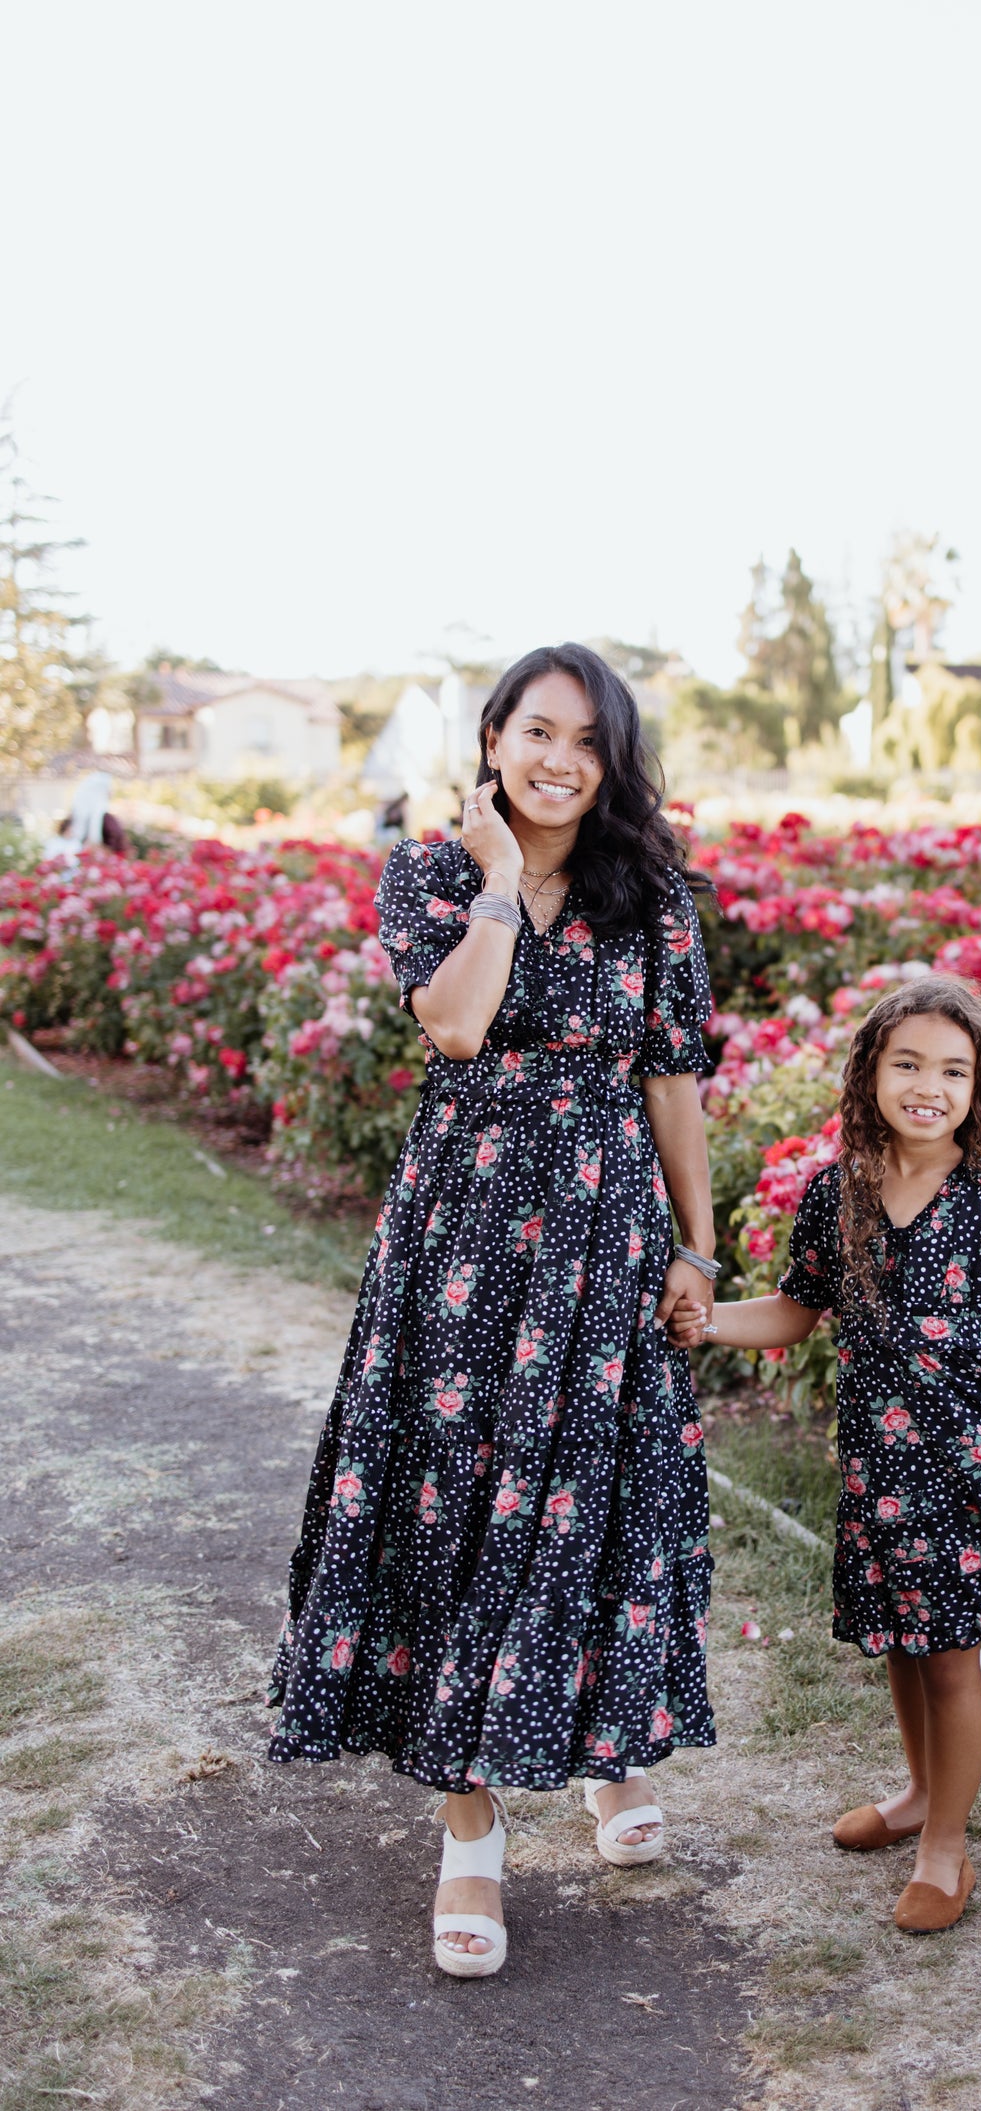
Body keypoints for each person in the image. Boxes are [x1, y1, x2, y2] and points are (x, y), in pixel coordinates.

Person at [269, 643, 721, 1979]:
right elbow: (457, 1027)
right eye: (537, 730)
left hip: (605, 1232)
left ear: (612, 755)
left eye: (586, 738)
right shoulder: (426, 873)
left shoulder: (653, 893)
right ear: (493, 737)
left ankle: (601, 1749)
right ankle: (469, 1826)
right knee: (457, 1504)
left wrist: (697, 1247)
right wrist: (498, 883)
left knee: (601, 1495)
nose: (559, 758)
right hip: (465, 1232)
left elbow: (675, 1077)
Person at [669, 974, 981, 1934]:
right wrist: (705, 1323)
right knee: (902, 1643)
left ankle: (946, 1847)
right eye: (907, 1064)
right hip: (879, 1469)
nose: (927, 1085)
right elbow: (795, 1313)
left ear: (980, 1088)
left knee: (948, 1657)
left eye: (952, 1069)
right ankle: (915, 1796)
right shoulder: (838, 1194)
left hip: (971, 1465)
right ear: (870, 1073)